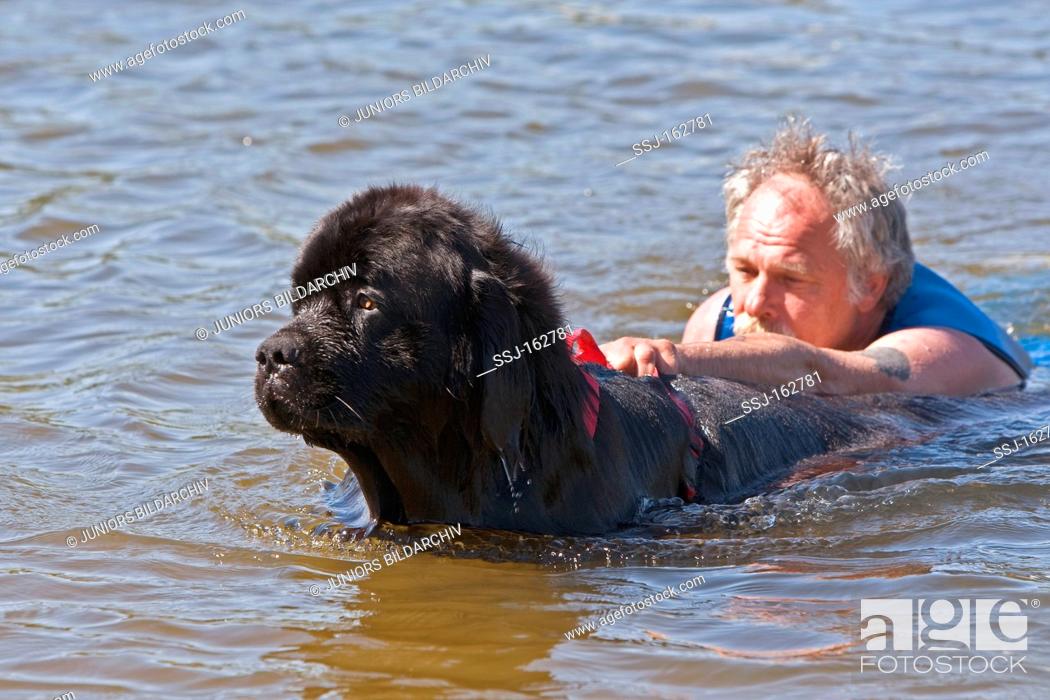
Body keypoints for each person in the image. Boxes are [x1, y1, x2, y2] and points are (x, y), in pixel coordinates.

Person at [600, 118, 1031, 396]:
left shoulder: (943, 348)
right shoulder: (717, 320)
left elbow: (826, 374)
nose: (752, 303)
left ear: (871, 285)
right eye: (745, 270)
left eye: (792, 278)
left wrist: (671, 357)